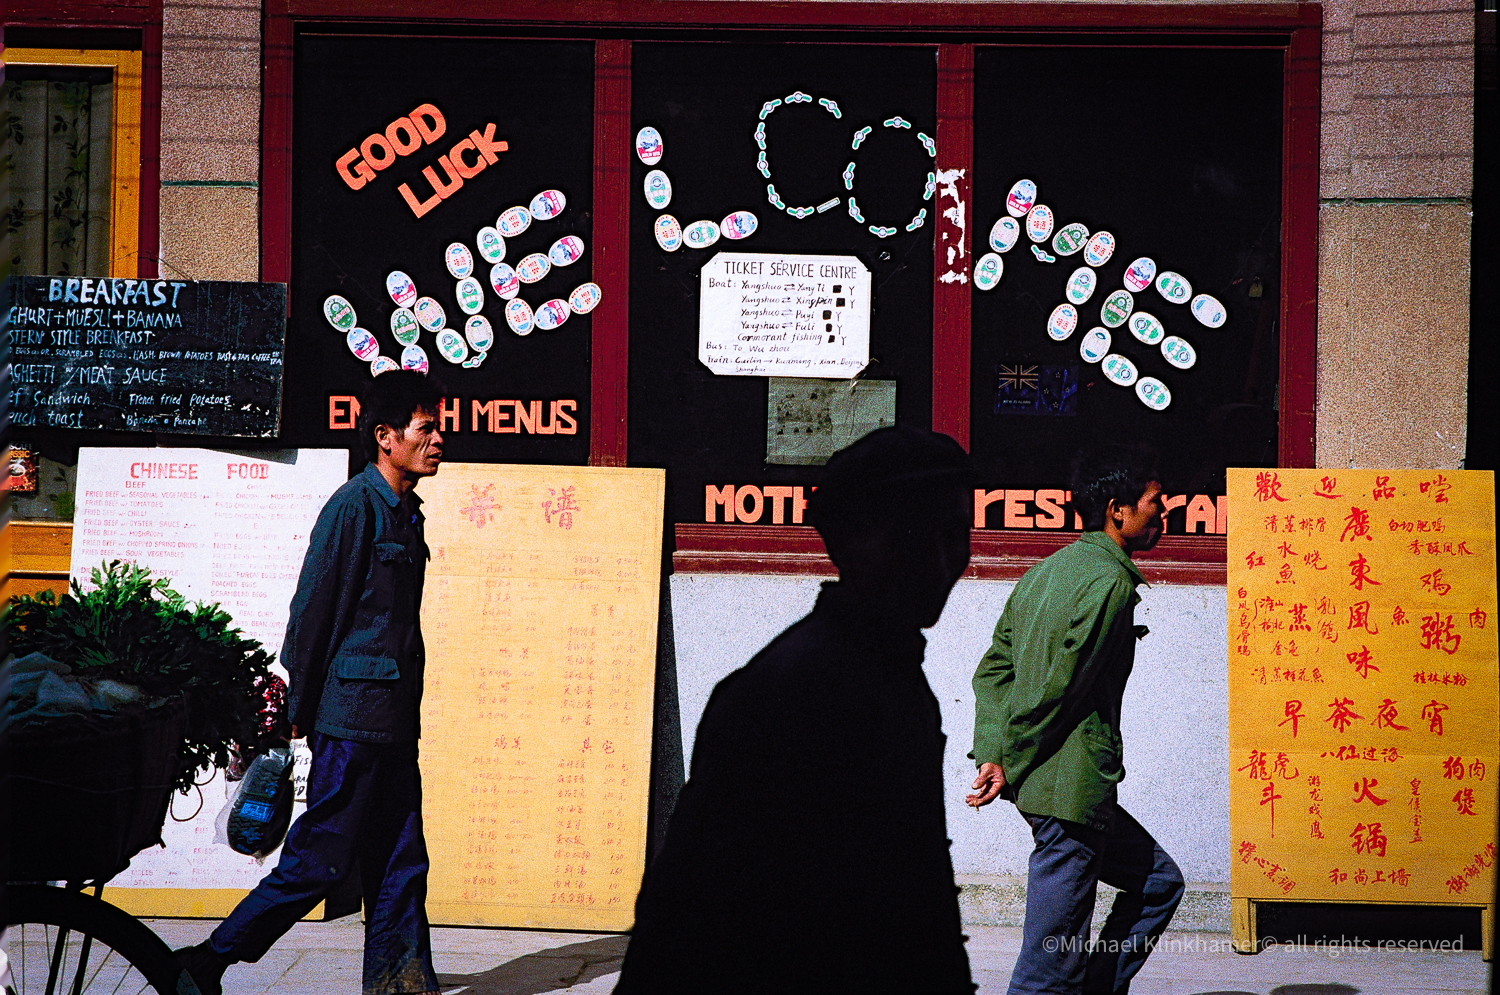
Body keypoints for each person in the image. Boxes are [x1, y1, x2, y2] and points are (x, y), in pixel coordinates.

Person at [616, 425, 976, 995]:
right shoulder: (789, 693)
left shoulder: (893, 677)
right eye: (910, 535)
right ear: (847, 540)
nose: (939, 560)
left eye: (956, 535)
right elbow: (687, 904)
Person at [178, 371, 445, 995]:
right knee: (318, 862)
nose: (438, 438)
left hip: (392, 720)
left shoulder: (406, 512)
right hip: (351, 722)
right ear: (386, 437)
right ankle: (208, 961)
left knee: (402, 859)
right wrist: (299, 708)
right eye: (426, 427)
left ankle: (399, 983)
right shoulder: (354, 509)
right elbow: (312, 613)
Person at [965, 444, 1183, 995]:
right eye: (1156, 501)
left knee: (1157, 881)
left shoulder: (1046, 571)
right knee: (1050, 963)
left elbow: (994, 671)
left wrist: (996, 752)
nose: (1166, 510)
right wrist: (1005, 761)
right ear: (1118, 509)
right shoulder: (1109, 583)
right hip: (1069, 787)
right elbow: (1062, 689)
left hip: (1049, 781)